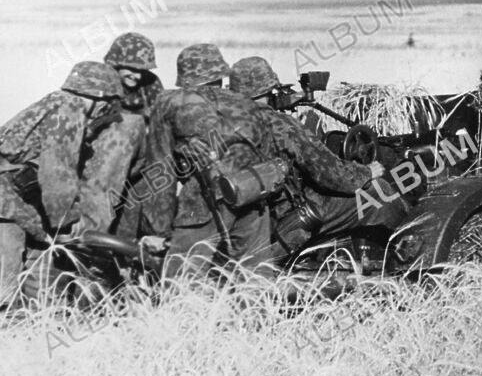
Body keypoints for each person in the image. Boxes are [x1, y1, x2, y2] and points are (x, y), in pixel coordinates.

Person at [0, 61, 124, 316]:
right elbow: (58, 174)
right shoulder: (70, 111)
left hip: (10, 202)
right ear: (101, 98)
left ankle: (27, 330)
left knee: (36, 273)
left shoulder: (56, 102)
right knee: (5, 279)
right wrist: (67, 222)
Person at [142, 44, 307, 278]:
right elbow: (267, 154)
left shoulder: (170, 102)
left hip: (205, 198)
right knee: (255, 282)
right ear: (221, 74)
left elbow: (160, 169)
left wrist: (159, 229)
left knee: (183, 281)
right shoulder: (244, 102)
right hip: (252, 194)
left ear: (185, 75)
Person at [228, 57, 396, 265]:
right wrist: (367, 172)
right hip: (284, 226)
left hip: (245, 229)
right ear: (269, 89)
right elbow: (332, 175)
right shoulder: (281, 126)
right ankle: (390, 264)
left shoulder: (221, 127)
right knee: (380, 191)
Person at [79, 32, 163, 238]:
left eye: (142, 70)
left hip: (138, 158)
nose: (137, 76)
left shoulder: (151, 85)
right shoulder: (99, 81)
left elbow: (159, 119)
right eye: (132, 69)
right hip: (101, 159)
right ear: (115, 64)